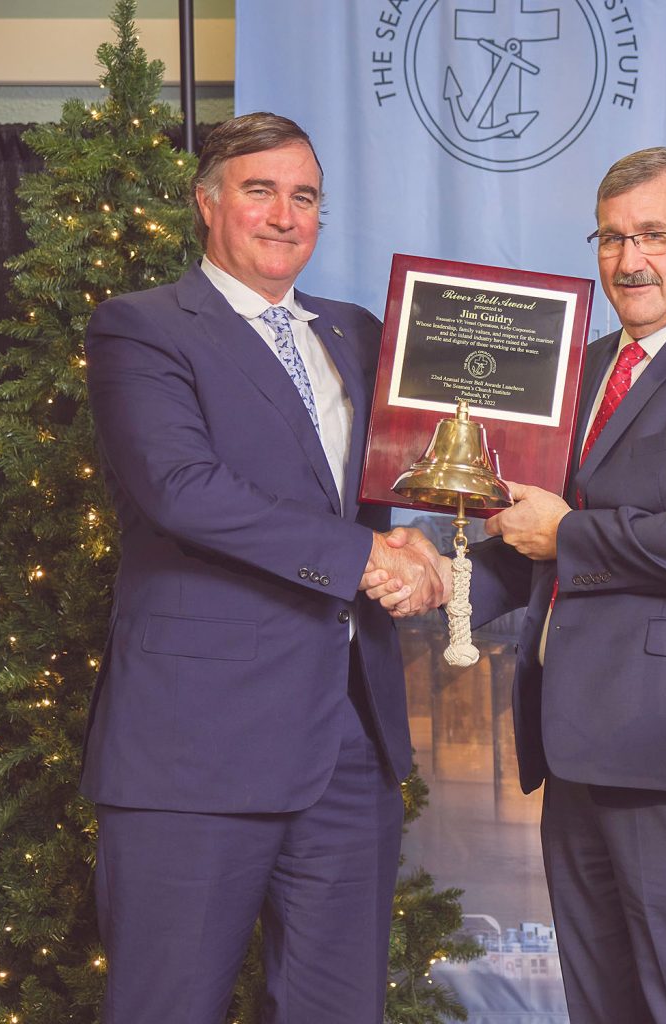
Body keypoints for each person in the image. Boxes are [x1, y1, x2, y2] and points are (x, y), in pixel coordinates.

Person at [369, 147, 666, 1022]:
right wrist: (433, 573)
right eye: (610, 238)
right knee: (604, 1005)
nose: (628, 259)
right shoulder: (584, 364)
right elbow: (524, 534)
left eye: (654, 234)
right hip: (579, 744)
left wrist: (566, 532)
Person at [81, 112, 447, 1023]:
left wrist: (432, 548)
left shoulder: (361, 333)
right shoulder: (141, 328)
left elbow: (434, 467)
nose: (285, 215)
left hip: (348, 750)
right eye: (259, 191)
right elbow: (182, 489)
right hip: (194, 750)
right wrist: (365, 554)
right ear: (208, 205)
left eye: (306, 196)